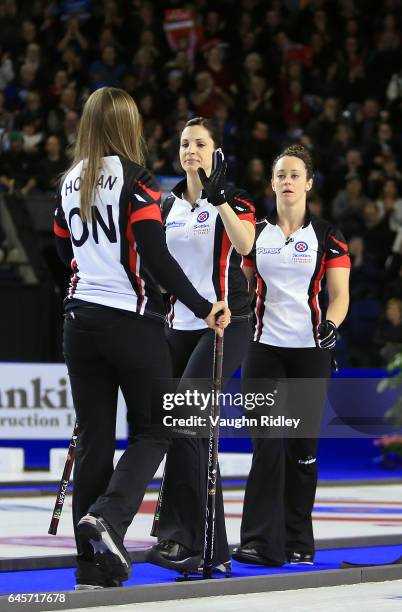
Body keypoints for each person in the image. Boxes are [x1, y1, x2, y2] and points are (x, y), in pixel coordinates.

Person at [53, 88, 230, 590]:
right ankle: (107, 520)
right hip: (129, 321)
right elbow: (155, 256)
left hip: (77, 322)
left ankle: (91, 563)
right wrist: (204, 306)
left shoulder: (68, 182)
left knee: (93, 441)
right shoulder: (137, 181)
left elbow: (62, 250)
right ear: (127, 125)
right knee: (159, 426)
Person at [146, 117, 255, 574]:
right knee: (184, 429)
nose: (192, 150)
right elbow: (154, 263)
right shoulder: (166, 204)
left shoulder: (235, 199)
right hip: (178, 326)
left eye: (201, 143)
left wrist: (221, 200)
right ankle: (199, 544)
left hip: (226, 326)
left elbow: (247, 245)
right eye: (186, 143)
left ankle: (196, 542)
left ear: (215, 151)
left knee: (189, 419)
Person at [233, 144, 350, 567]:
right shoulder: (256, 235)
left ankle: (299, 539)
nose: (287, 181)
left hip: (309, 355)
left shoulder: (328, 236)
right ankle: (258, 541)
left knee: (302, 451)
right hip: (263, 352)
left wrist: (332, 325)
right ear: (272, 183)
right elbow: (242, 288)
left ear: (309, 183)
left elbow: (340, 296)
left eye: (294, 174)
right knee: (267, 446)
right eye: (280, 174)